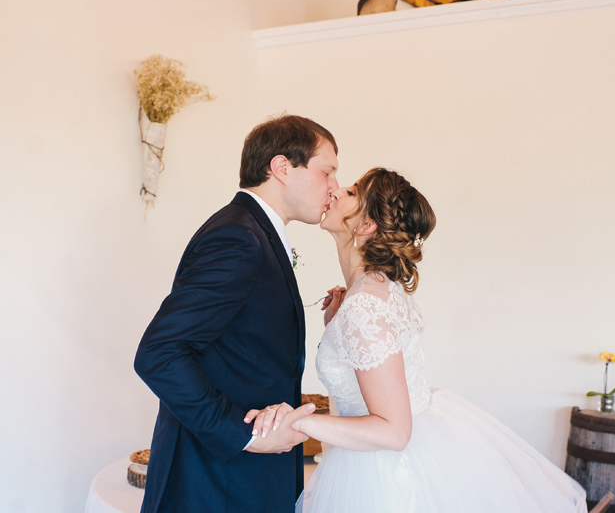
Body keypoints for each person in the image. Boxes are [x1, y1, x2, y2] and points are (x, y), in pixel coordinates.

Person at [248, 168, 587, 513]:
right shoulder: (374, 290)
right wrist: (334, 324)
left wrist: (300, 422)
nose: (335, 190)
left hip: (385, 476)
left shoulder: (364, 305)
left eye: (351, 192)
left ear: (366, 226)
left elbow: (394, 432)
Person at [134, 114, 339, 513]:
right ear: (282, 167)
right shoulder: (239, 238)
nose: (334, 186)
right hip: (218, 485)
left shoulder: (252, 232)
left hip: (241, 481)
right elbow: (160, 353)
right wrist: (244, 435)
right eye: (326, 171)